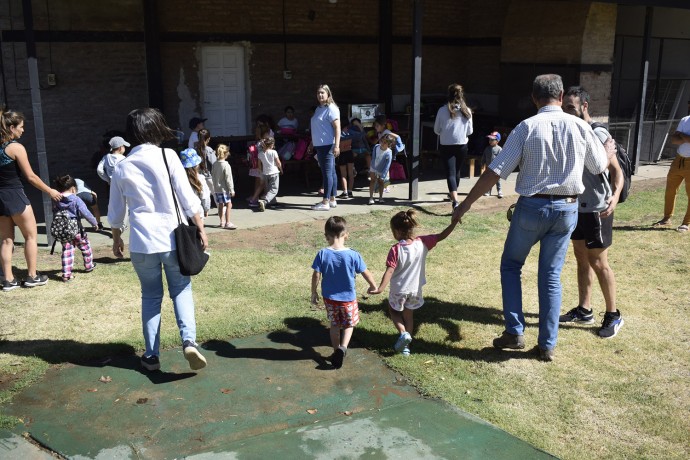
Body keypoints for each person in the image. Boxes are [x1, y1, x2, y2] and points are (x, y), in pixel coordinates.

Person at [452, 74, 610, 362]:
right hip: (566, 209)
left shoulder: (527, 127)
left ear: (535, 98)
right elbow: (599, 165)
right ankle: (547, 344)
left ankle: (514, 331)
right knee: (550, 276)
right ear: (561, 96)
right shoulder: (579, 126)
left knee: (511, 265)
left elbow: (495, 171)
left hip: (532, 208)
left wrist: (465, 205)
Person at [108, 107, 208, 372]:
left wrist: (116, 237)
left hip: (141, 243)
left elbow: (116, 211)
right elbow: (188, 199)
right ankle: (189, 341)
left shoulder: (122, 166)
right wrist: (201, 228)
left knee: (151, 296)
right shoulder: (168, 156)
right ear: (156, 128)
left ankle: (151, 356)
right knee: (181, 289)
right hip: (172, 239)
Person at [558, 86, 625, 338]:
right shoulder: (569, 131)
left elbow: (616, 170)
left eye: (572, 108)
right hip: (575, 205)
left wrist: (615, 197)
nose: (568, 112)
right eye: (565, 108)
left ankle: (613, 315)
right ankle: (585, 310)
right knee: (580, 256)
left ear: (584, 107)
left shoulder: (598, 133)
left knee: (599, 261)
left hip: (597, 208)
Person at [368, 209, 457, 356]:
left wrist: (380, 289)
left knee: (394, 311)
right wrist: (453, 223)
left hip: (399, 290)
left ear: (397, 231)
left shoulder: (396, 249)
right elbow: (442, 236)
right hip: (415, 290)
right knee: (409, 316)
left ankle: (403, 334)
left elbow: (389, 271)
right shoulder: (423, 243)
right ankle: (406, 347)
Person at [1, 109, 62, 291]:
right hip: (15, 195)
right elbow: (31, 177)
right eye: (21, 127)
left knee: (5, 240)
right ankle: (32, 276)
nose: (23, 130)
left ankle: (8, 280)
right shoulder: (15, 147)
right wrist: (50, 191)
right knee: (30, 236)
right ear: (11, 128)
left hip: (0, 198)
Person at [311, 216, 377, 369]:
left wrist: (314, 292)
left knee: (334, 325)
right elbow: (365, 272)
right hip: (348, 299)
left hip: (330, 298)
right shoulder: (353, 255)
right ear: (346, 234)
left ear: (326, 236)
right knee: (349, 324)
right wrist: (373, 286)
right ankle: (343, 348)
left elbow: (316, 274)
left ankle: (335, 351)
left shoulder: (322, 253)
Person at [434, 84, 473, 208]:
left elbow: (436, 129)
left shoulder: (442, 110)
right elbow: (470, 131)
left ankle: (455, 201)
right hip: (462, 145)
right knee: (457, 171)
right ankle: (453, 195)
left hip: (446, 145)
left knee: (450, 173)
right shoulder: (467, 110)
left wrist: (445, 132)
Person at [52, 174, 98, 282]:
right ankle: (89, 265)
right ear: (73, 188)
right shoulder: (76, 199)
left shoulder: (56, 199)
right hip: (76, 228)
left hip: (63, 229)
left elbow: (54, 212)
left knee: (67, 251)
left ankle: (66, 275)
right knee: (85, 246)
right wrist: (94, 223)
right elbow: (85, 212)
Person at [652, 114, 690, 233]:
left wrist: (682, 136)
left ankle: (686, 223)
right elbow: (674, 139)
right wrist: (686, 137)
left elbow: (680, 137)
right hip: (678, 160)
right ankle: (666, 218)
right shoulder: (685, 119)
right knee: (670, 190)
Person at [310, 84, 341, 211]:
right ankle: (333, 199)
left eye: (322, 92)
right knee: (331, 172)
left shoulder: (331, 108)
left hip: (328, 145)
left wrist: (337, 145)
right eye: (318, 93)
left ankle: (325, 201)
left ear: (328, 94)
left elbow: (337, 128)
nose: (320, 95)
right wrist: (312, 143)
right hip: (320, 145)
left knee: (327, 173)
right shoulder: (319, 109)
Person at [180, 148, 211, 218]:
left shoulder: (180, 178)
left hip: (183, 213)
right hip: (197, 212)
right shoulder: (200, 179)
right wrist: (206, 209)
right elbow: (205, 197)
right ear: (197, 165)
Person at [211, 144, 236, 229]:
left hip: (217, 189)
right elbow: (229, 179)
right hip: (224, 189)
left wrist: (214, 186)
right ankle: (228, 222)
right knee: (229, 204)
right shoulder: (226, 165)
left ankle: (222, 221)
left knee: (220, 205)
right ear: (226, 154)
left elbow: (213, 176)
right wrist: (231, 189)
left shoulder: (215, 164)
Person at [257, 137, 283, 212]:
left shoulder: (260, 153)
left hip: (265, 173)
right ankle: (265, 201)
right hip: (274, 172)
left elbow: (259, 165)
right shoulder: (273, 152)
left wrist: (260, 173)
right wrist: (281, 169)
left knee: (269, 189)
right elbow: (278, 162)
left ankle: (273, 202)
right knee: (274, 189)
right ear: (272, 144)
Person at [368, 134, 394, 205]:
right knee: (372, 181)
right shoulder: (376, 147)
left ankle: (381, 197)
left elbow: (387, 165)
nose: (382, 143)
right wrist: (371, 168)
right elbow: (373, 157)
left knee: (381, 182)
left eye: (385, 142)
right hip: (373, 167)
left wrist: (383, 175)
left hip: (381, 169)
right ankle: (371, 197)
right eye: (381, 141)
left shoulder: (389, 152)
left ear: (389, 144)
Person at [194, 128, 216, 211]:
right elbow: (214, 163)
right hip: (209, 176)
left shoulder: (196, 149)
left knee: (203, 195)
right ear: (209, 138)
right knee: (215, 194)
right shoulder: (209, 150)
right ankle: (221, 212)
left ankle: (205, 211)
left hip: (199, 176)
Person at [481, 132, 503, 198]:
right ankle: (488, 191)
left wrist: (501, 167)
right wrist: (482, 163)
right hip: (489, 168)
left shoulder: (499, 149)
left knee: (497, 180)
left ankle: (499, 190)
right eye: (489, 139)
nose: (490, 141)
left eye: (492, 140)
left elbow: (502, 159)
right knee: (488, 180)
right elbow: (484, 157)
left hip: (496, 168)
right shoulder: (487, 149)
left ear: (497, 141)